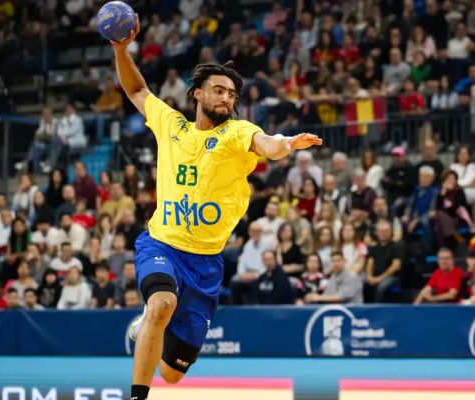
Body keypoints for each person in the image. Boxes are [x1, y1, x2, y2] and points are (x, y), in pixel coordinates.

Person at [111, 19, 322, 399]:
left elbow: (266, 143)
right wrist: (120, 49)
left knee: (172, 374)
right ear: (196, 94)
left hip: (205, 263)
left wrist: (287, 144)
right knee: (161, 304)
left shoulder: (237, 133)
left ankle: (149, 327)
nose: (227, 98)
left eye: (232, 94)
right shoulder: (172, 126)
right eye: (219, 90)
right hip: (161, 245)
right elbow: (137, 89)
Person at [365, 220, 404, 303]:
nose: (383, 233)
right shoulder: (373, 247)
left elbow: (396, 266)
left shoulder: (397, 246)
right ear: (377, 232)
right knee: (360, 283)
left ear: (391, 232)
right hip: (375, 276)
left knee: (381, 287)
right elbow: (370, 263)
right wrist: (369, 277)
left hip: (392, 277)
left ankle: (377, 310)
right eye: (381, 231)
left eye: (386, 231)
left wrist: (379, 278)